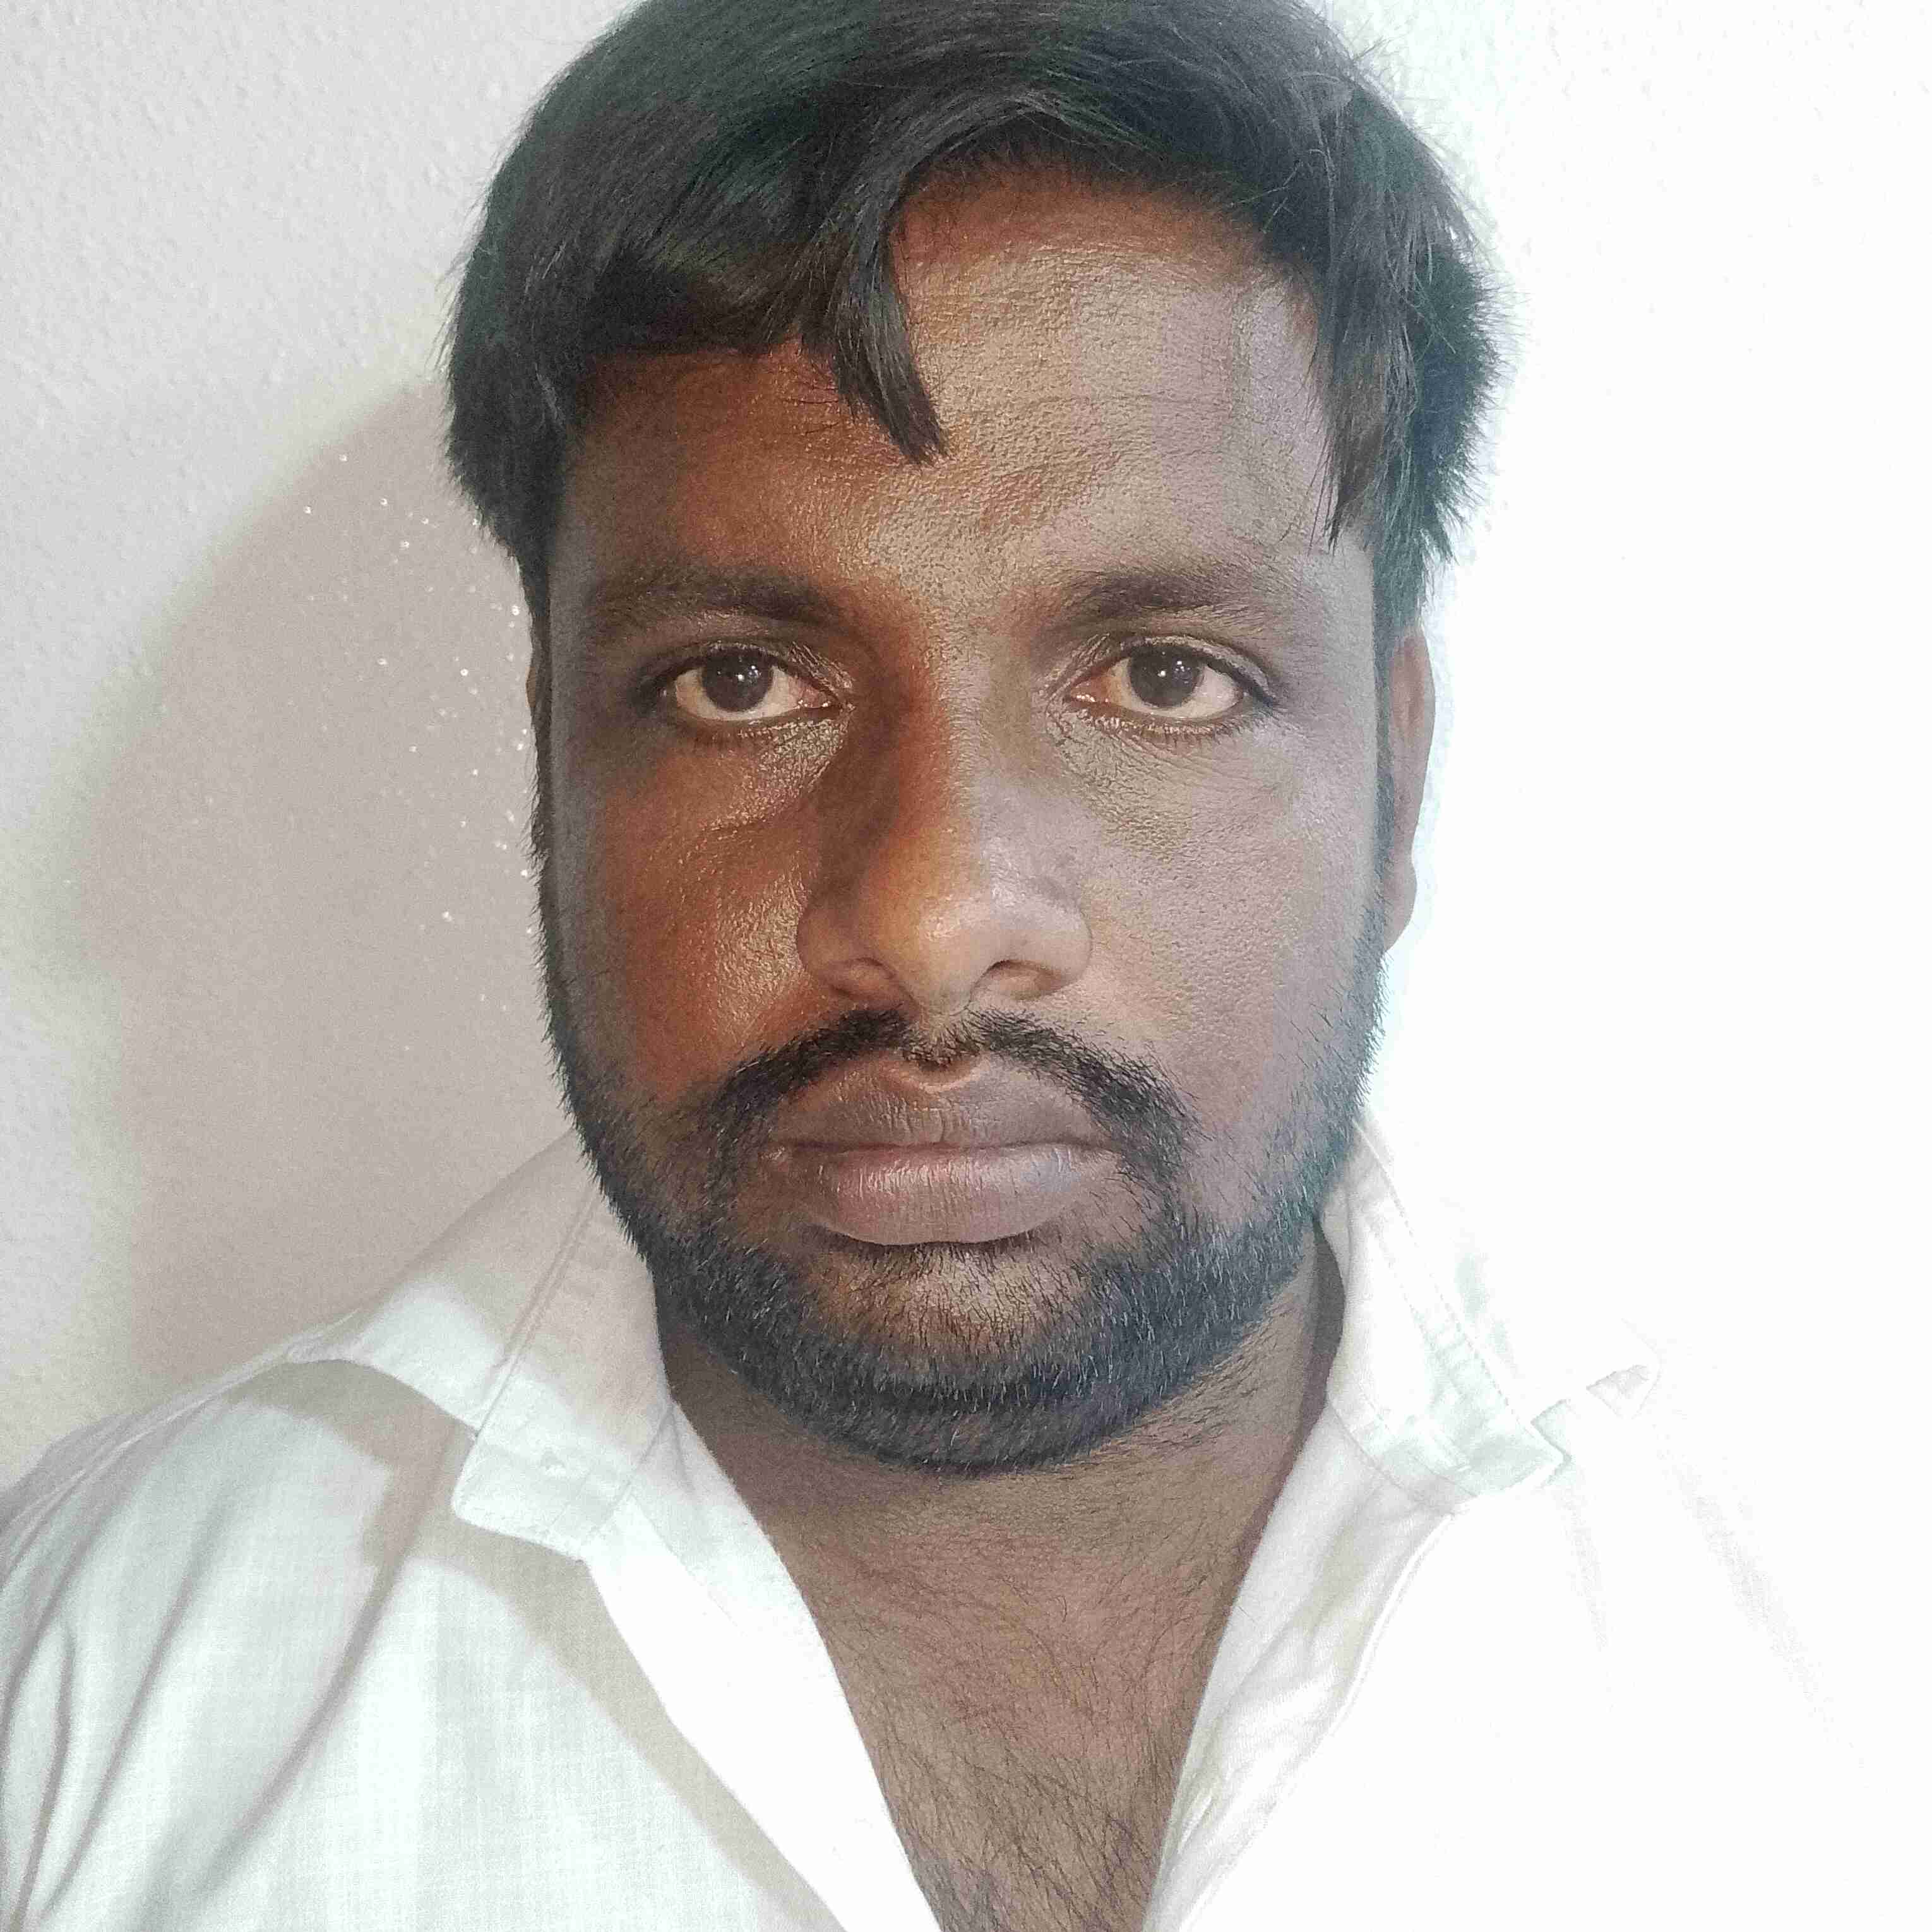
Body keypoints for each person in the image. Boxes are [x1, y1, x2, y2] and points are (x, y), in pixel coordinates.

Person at [0, 2, 1879, 1927]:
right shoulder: (71, 1685)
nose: (928, 913)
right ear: (553, 765)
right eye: (740, 684)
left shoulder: (1856, 1653)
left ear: (1395, 779)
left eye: (1163, 677)